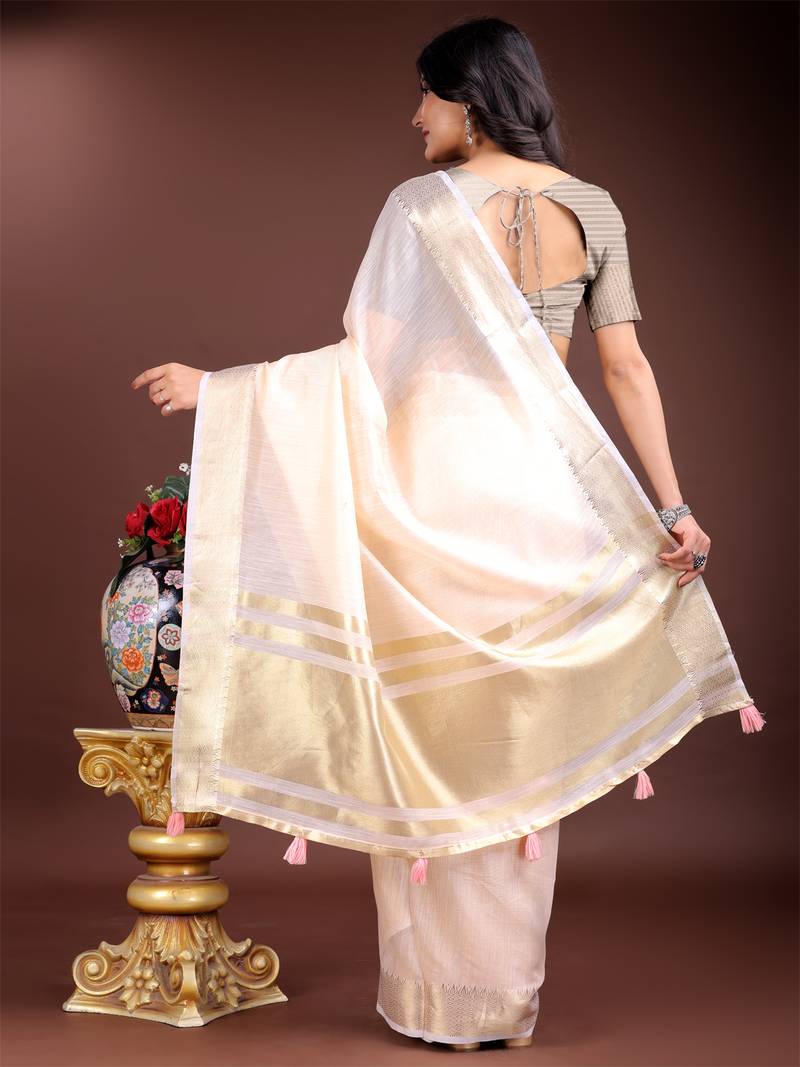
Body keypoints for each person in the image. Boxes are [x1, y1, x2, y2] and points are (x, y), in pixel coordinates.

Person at [131, 16, 763, 1053]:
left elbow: (363, 369)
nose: (414, 114)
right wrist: (673, 506)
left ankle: (437, 1001)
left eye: (426, 95)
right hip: (541, 498)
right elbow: (625, 369)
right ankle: (500, 999)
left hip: (430, 490)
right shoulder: (592, 207)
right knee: (514, 739)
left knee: (432, 733)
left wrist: (225, 389)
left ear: (468, 103)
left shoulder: (419, 209)